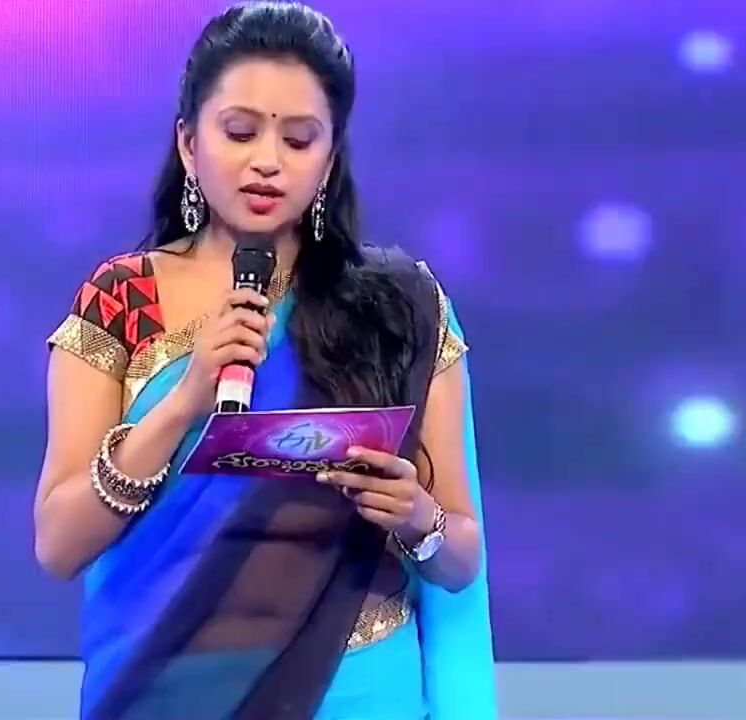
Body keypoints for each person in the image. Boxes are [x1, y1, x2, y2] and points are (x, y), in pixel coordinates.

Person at [35, 3, 496, 718]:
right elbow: (59, 544)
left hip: (360, 689)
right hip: (172, 688)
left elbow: (461, 559)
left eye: (300, 139)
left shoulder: (400, 305)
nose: (267, 161)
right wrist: (184, 402)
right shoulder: (125, 298)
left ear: (329, 158)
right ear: (189, 144)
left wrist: (416, 517)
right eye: (240, 131)